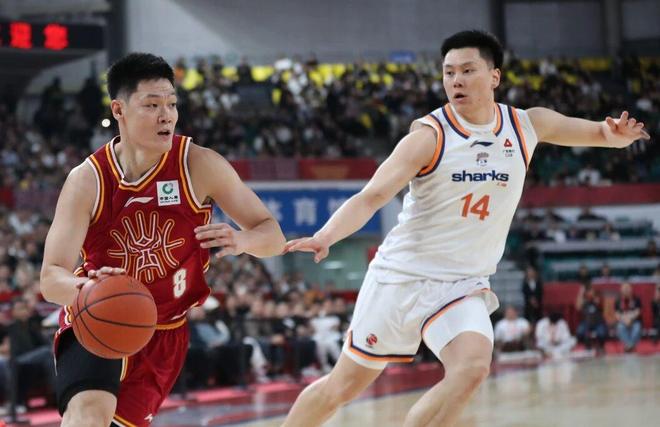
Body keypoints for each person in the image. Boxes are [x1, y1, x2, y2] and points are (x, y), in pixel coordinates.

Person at [283, 29, 649, 427]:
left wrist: (617, 137)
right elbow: (372, 196)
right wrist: (326, 236)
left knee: (472, 368)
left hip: (462, 283)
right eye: (449, 72)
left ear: (494, 76)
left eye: (468, 70)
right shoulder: (428, 136)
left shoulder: (526, 125)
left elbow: (599, 133)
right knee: (340, 388)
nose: (456, 80)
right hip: (402, 277)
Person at [39, 53, 285, 427]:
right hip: (97, 316)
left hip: (164, 332)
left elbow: (274, 237)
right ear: (119, 110)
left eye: (171, 104)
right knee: (87, 416)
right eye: (152, 105)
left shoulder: (199, 165)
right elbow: (50, 278)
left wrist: (242, 240)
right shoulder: (87, 180)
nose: (166, 115)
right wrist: (86, 289)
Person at [614, 282, 642, 352]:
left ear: (631, 289)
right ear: (621, 290)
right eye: (624, 288)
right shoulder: (618, 300)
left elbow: (638, 311)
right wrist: (624, 320)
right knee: (620, 327)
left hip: (634, 321)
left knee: (637, 328)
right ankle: (631, 346)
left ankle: (628, 347)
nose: (626, 290)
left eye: (627, 288)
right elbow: (617, 314)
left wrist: (630, 318)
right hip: (623, 321)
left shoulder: (636, 299)